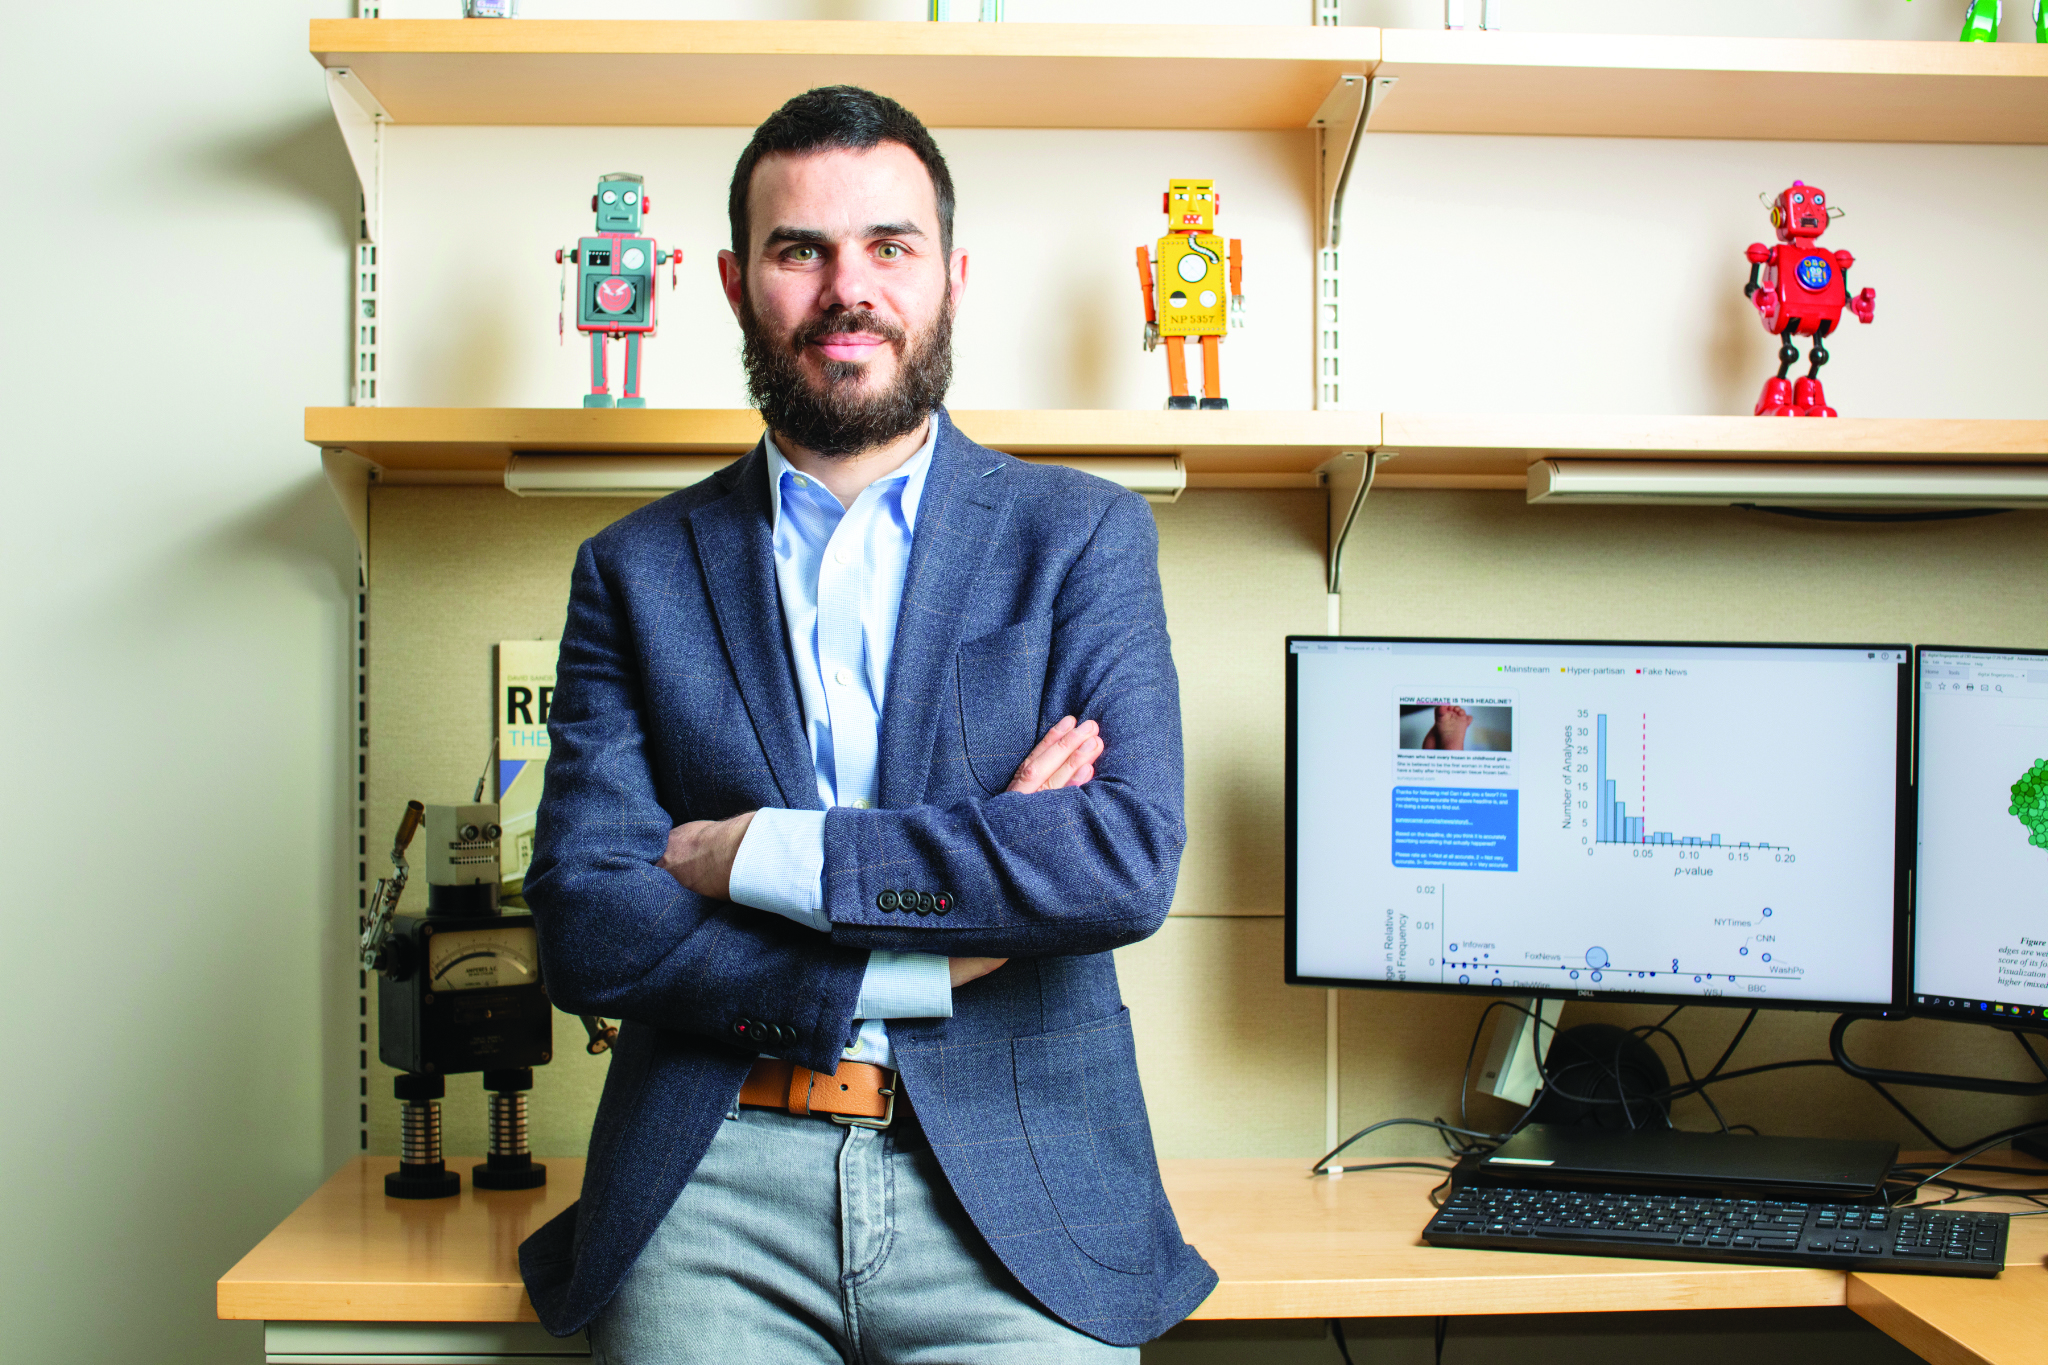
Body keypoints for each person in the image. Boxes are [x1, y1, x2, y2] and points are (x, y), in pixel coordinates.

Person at [518, 85, 1215, 1363]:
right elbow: (587, 922)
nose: (850, 288)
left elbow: (1118, 861)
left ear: (949, 276)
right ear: (735, 282)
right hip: (705, 1184)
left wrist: (757, 855)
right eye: (801, 251)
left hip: (1019, 1198)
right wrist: (919, 950)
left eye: (889, 247)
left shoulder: (1080, 539)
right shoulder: (633, 571)